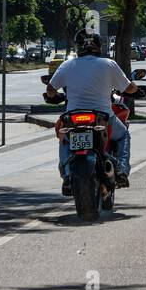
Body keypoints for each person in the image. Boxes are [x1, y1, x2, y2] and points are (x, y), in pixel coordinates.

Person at [43, 32, 137, 196]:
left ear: (77, 47)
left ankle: (66, 174)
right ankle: (121, 170)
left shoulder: (67, 65)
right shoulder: (108, 64)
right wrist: (136, 88)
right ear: (99, 47)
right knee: (123, 136)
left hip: (72, 117)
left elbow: (50, 90)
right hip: (103, 117)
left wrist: (54, 96)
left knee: (64, 140)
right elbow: (129, 88)